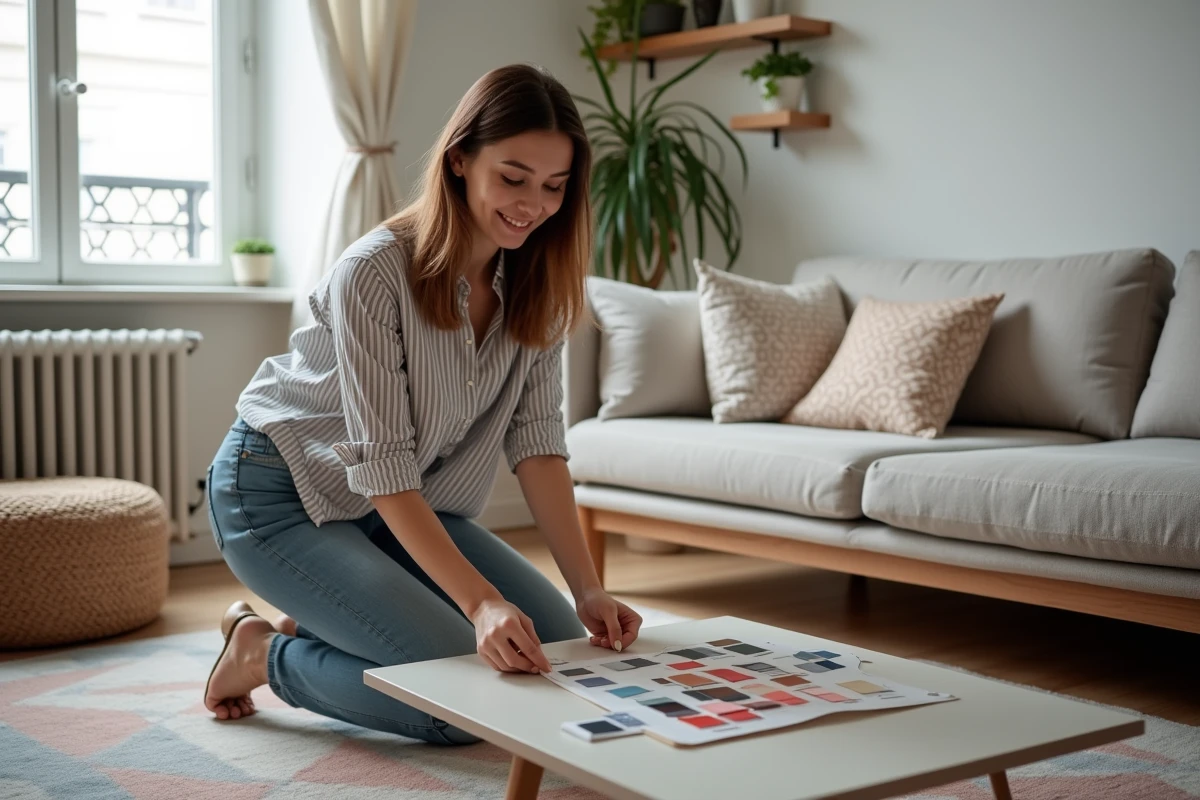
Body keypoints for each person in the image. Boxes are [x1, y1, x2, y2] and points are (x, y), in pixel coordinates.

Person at [202, 63, 642, 745]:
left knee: (558, 654)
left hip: (400, 505)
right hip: (279, 495)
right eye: (514, 177)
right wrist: (481, 603)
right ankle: (264, 653)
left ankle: (322, 613)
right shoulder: (374, 271)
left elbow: (539, 445)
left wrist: (587, 589)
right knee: (463, 703)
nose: (533, 204)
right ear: (461, 160)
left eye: (555, 187)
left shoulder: (539, 281)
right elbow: (384, 468)